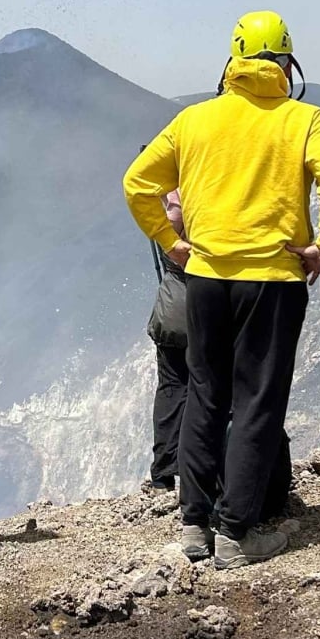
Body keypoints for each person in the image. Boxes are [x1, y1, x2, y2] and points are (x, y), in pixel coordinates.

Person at [124, 12, 320, 569]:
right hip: (272, 280)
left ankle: (194, 524)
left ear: (233, 62)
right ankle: (235, 531)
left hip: (205, 277)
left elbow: (138, 183)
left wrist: (171, 243)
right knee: (257, 399)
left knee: (205, 392)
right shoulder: (305, 119)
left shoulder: (194, 120)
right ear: (286, 63)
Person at [144, 190, 187, 493]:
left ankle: (163, 473)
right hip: (213, 310)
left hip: (172, 312)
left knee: (172, 388)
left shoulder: (168, 210)